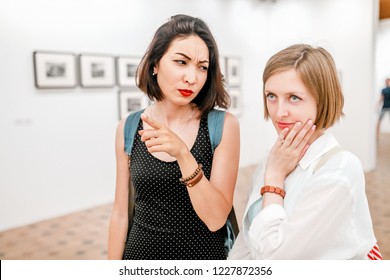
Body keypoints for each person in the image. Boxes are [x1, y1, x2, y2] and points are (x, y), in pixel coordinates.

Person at [108, 14, 240, 260]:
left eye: (202, 67)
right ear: (155, 64)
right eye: (181, 62)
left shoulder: (222, 125)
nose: (192, 78)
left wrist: (183, 154)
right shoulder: (128, 127)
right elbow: (120, 214)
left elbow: (215, 219)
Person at [229, 44, 377, 259]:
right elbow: (249, 239)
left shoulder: (341, 170)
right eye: (271, 96)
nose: (279, 112)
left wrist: (274, 180)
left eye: (294, 98)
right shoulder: (273, 159)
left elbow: (276, 260)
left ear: (323, 99)